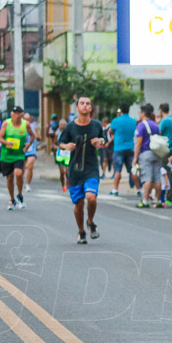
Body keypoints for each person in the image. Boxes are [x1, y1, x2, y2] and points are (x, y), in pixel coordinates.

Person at [58, 96, 105, 243]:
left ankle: (90, 222)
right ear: (77, 107)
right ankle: (81, 231)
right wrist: (66, 146)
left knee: (91, 197)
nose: (85, 106)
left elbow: (104, 139)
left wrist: (100, 141)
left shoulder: (96, 125)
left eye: (88, 104)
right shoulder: (70, 126)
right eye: (82, 103)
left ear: (91, 108)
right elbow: (60, 143)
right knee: (78, 204)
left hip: (91, 168)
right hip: (75, 169)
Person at [0, 105, 34, 210]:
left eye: (19, 113)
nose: (17, 115)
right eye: (15, 113)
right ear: (11, 114)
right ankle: (12, 198)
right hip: (7, 155)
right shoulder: (6, 123)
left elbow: (33, 136)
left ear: (22, 114)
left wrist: (28, 145)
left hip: (19, 154)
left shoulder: (26, 124)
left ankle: (19, 194)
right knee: (9, 178)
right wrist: (6, 142)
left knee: (18, 173)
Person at [134, 104, 163, 208]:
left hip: (145, 152)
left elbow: (139, 142)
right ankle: (159, 200)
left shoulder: (141, 125)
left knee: (147, 178)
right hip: (156, 153)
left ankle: (145, 200)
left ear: (143, 113)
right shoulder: (155, 125)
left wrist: (135, 157)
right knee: (157, 177)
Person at [109, 103, 136, 196]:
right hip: (130, 146)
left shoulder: (116, 120)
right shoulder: (133, 121)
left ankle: (115, 189)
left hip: (119, 147)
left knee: (117, 170)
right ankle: (138, 189)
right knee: (132, 169)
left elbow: (110, 131)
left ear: (120, 110)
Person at [23, 112, 37, 192]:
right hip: (23, 149)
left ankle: (28, 184)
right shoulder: (20, 127)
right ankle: (21, 182)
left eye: (28, 119)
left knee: (30, 166)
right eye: (25, 119)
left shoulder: (33, 127)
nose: (27, 121)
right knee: (22, 169)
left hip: (31, 149)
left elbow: (37, 136)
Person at [55, 118, 70, 192]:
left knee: (67, 172)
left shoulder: (69, 133)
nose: (62, 126)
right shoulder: (57, 133)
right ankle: (62, 185)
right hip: (60, 154)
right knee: (61, 172)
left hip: (67, 154)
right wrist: (55, 147)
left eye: (64, 125)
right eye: (61, 125)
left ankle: (68, 183)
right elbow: (55, 142)